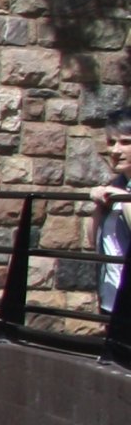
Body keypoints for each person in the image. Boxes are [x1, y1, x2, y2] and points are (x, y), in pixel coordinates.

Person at [91, 123, 131, 321]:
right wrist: (99, 204)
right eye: (111, 142)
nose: (115, 150)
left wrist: (123, 198)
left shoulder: (118, 190)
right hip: (112, 293)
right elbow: (94, 241)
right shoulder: (117, 184)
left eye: (125, 142)